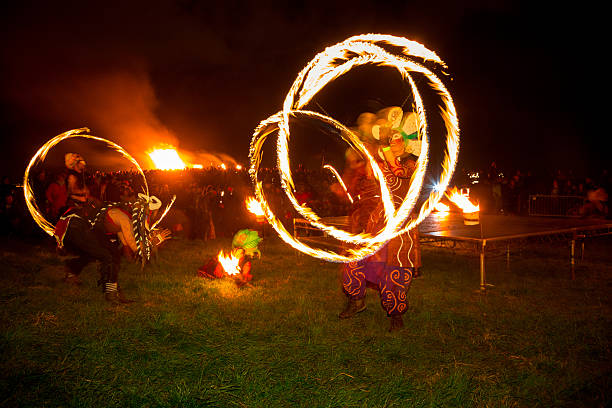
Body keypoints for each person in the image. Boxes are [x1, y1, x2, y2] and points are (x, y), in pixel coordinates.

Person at [337, 107, 422, 332]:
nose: (394, 142)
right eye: (391, 139)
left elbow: (399, 172)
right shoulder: (379, 164)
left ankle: (396, 313)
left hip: (399, 229)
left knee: (393, 273)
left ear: (406, 145)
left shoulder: (412, 166)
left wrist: (385, 145)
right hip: (376, 223)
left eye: (398, 140)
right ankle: (356, 301)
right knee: (354, 261)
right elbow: (368, 173)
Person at [54, 153, 131, 304]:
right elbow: (73, 195)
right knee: (105, 255)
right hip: (77, 222)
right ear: (75, 164)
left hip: (87, 219)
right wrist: (85, 197)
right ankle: (111, 293)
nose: (84, 164)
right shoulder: (72, 177)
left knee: (109, 251)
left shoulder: (82, 177)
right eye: (81, 162)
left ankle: (72, 269)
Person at [198, 229, 262, 286]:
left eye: (241, 252)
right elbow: (218, 269)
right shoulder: (227, 259)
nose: (238, 253)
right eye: (236, 249)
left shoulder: (246, 263)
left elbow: (245, 274)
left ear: (244, 253)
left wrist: (242, 277)